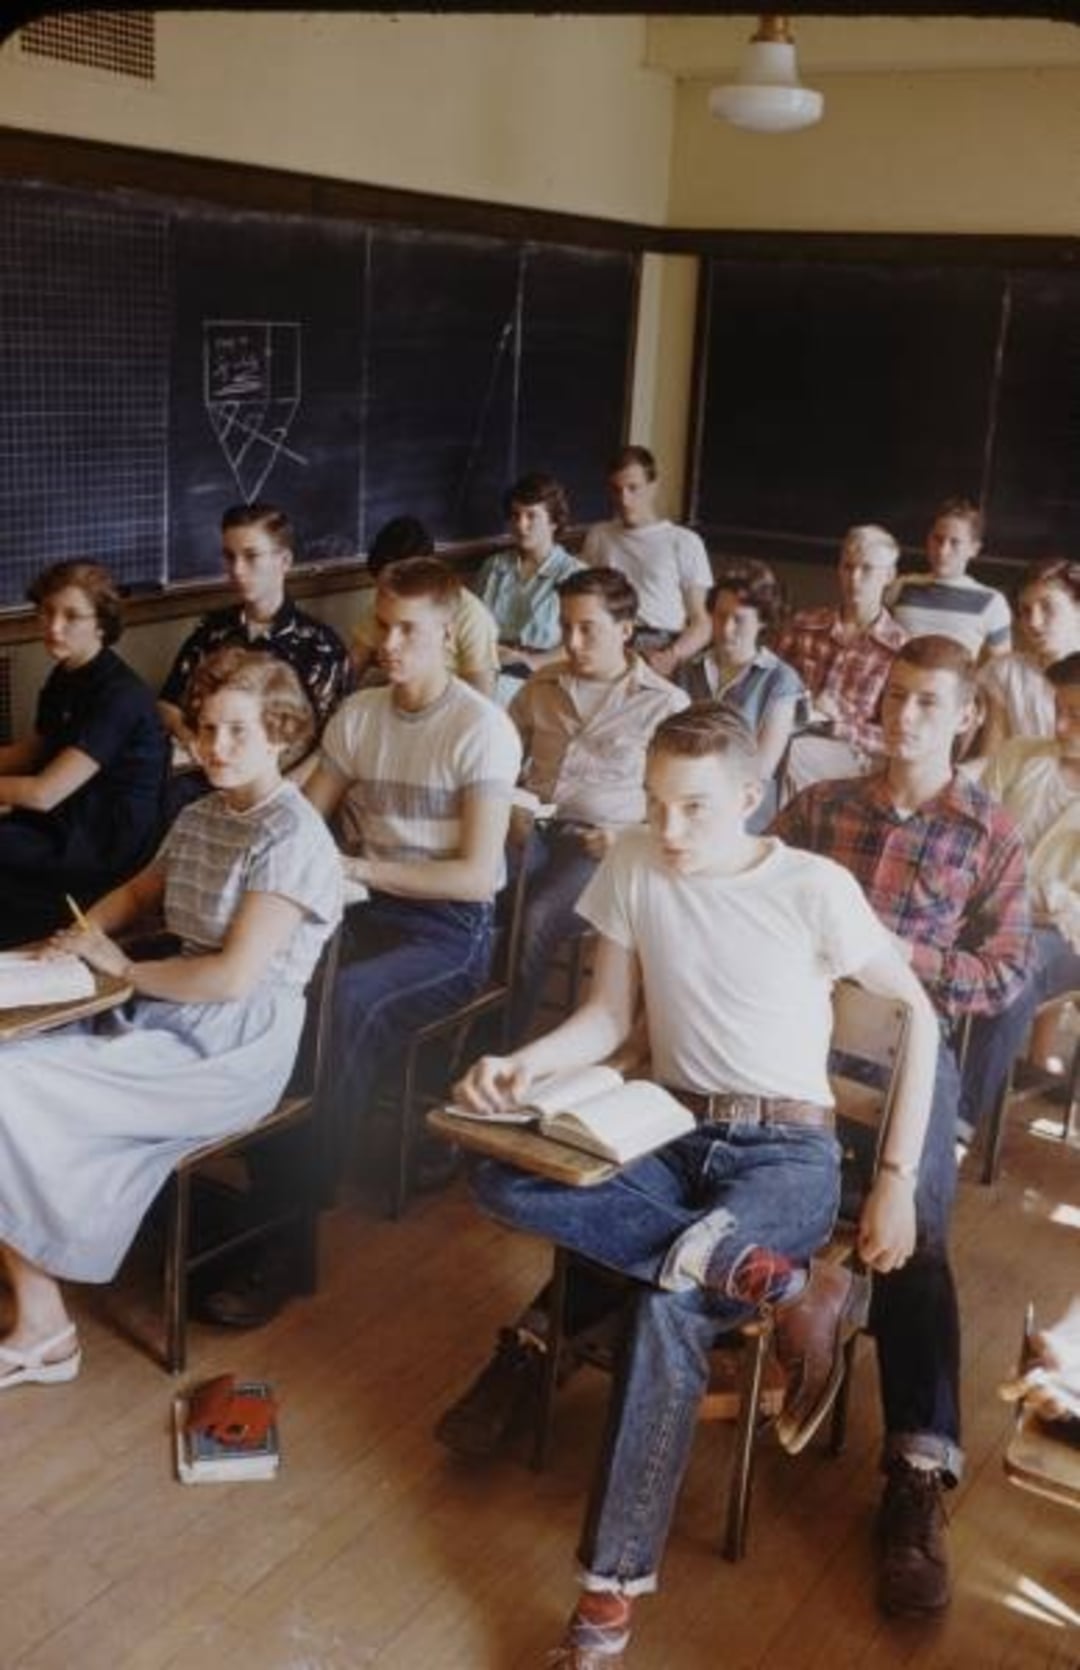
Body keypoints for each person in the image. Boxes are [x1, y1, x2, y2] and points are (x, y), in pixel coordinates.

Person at [452, 704, 939, 1668]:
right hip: (669, 1130)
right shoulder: (634, 860)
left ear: (751, 801)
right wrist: (524, 1066)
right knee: (492, 1169)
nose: (668, 830)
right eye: (655, 804)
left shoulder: (812, 886)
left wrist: (895, 1180)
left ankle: (605, 1599)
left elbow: (918, 1016)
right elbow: (604, 1018)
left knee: (671, 1306)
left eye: (695, 809)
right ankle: (785, 1283)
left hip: (787, 1154)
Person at [773, 634, 1033, 1618]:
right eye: (894, 695)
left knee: (915, 1233)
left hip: (908, 1045)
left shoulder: (989, 829)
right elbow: (759, 893)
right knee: (674, 1158)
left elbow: (1006, 967)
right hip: (795, 1029)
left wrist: (893, 963)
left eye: (928, 701)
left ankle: (918, 1471)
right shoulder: (822, 803)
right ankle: (546, 1338)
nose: (904, 714)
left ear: (966, 715)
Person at [0, 648, 342, 1388]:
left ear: (281, 733)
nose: (214, 748)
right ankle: (35, 1291)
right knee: (15, 1058)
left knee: (8, 1084)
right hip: (164, 1017)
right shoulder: (200, 814)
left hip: (230, 1048)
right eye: (206, 729)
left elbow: (229, 977)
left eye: (238, 732)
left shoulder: (293, 837)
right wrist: (85, 933)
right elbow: (139, 893)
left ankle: (45, 1328)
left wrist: (123, 972)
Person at [307, 555, 521, 1175]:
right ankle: (270, 1144)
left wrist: (355, 869)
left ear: (448, 638)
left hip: (450, 930)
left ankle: (305, 1189)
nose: (387, 644)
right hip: (365, 909)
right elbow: (303, 818)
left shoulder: (482, 728)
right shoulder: (360, 714)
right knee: (276, 971)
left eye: (408, 630)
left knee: (348, 999)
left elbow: (476, 877)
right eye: (381, 625)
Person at [505, 567, 688, 1039]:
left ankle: (499, 1046)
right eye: (565, 626)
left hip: (604, 847)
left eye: (588, 628)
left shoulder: (664, 705)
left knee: (537, 918)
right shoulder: (541, 686)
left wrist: (628, 836)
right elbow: (499, 762)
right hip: (531, 832)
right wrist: (511, 806)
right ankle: (458, 1026)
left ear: (625, 631)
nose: (572, 641)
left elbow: (682, 805)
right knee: (482, 896)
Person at [0, 560, 167, 949]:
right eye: (46, 612)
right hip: (64, 824)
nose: (54, 626)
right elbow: (32, 752)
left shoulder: (119, 695)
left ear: (101, 624)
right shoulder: (66, 674)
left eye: (71, 616)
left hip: (99, 846)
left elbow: (45, 793)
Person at [959, 651, 1080, 1138]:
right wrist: (1038, 893)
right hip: (993, 910)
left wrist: (1027, 892)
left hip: (1065, 938)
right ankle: (892, 1092)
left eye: (1078, 714)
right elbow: (974, 840)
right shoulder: (1019, 755)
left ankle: (956, 1124)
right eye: (1059, 708)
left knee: (1015, 966)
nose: (1062, 723)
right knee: (916, 937)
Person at [159, 503, 351, 797]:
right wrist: (192, 740)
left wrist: (280, 793)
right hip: (203, 776)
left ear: (284, 561)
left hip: (275, 787)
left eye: (251, 556)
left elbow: (330, 746)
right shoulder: (212, 630)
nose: (237, 570)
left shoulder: (321, 646)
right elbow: (168, 704)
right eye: (229, 556)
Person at [775, 524, 907, 795]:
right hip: (790, 732)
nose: (855, 578)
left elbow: (896, 738)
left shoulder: (900, 650)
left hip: (856, 755)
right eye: (848, 567)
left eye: (867, 569)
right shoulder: (804, 626)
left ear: (889, 576)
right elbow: (769, 687)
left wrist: (839, 725)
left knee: (792, 751)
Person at [680, 562, 806, 828]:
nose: (726, 629)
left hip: (743, 806)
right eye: (719, 616)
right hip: (682, 795)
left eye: (738, 619)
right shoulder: (688, 671)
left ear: (762, 621)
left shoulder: (780, 680)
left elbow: (761, 769)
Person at [581, 445, 712, 681]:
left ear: (653, 487)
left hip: (663, 646)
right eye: (616, 490)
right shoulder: (599, 535)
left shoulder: (683, 541)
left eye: (633, 488)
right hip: (611, 642)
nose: (624, 499)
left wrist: (672, 655)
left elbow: (702, 623)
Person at [351, 514, 500, 698]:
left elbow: (482, 697)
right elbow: (352, 668)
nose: (389, 645)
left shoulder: (473, 616)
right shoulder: (385, 607)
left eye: (407, 628)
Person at [476, 472, 583, 703]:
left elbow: (579, 643)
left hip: (544, 672)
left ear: (554, 521)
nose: (520, 525)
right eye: (515, 516)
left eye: (531, 516)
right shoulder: (493, 566)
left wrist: (531, 662)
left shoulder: (575, 574)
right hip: (491, 665)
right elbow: (472, 624)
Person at [978, 557, 1080, 756]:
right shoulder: (1007, 671)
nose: (1034, 622)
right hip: (1022, 783)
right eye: (1025, 611)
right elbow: (992, 755)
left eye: (1047, 607)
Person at [890, 498, 1011, 661]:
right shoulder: (901, 586)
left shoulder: (992, 602)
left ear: (974, 549)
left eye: (955, 542)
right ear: (928, 539)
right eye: (938, 539)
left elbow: (1003, 669)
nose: (942, 551)